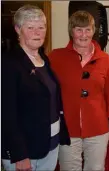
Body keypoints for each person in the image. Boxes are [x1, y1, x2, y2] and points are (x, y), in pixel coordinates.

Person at [48, 11, 109, 170]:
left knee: (96, 168)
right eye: (78, 29)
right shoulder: (56, 57)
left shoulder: (105, 59)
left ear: (93, 31)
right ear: (71, 31)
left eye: (88, 29)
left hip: (98, 129)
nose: (84, 34)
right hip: (67, 129)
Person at [1, 4, 70, 171]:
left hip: (49, 145)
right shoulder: (9, 64)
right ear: (18, 30)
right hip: (26, 152)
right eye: (30, 27)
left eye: (41, 27)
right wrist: (20, 154)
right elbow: (6, 114)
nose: (37, 32)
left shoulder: (44, 59)